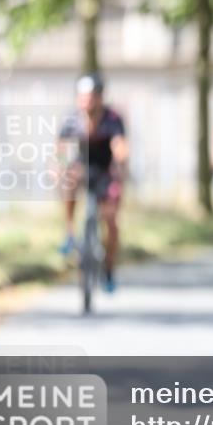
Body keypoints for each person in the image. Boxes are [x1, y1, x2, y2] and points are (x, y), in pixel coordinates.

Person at [58, 73, 129, 293]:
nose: (86, 101)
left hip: (106, 172)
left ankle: (108, 270)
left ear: (99, 97)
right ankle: (70, 233)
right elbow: (61, 149)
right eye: (82, 96)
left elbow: (120, 146)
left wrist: (121, 163)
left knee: (111, 221)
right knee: (67, 181)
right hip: (82, 169)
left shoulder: (113, 118)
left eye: (91, 96)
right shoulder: (71, 120)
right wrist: (59, 167)